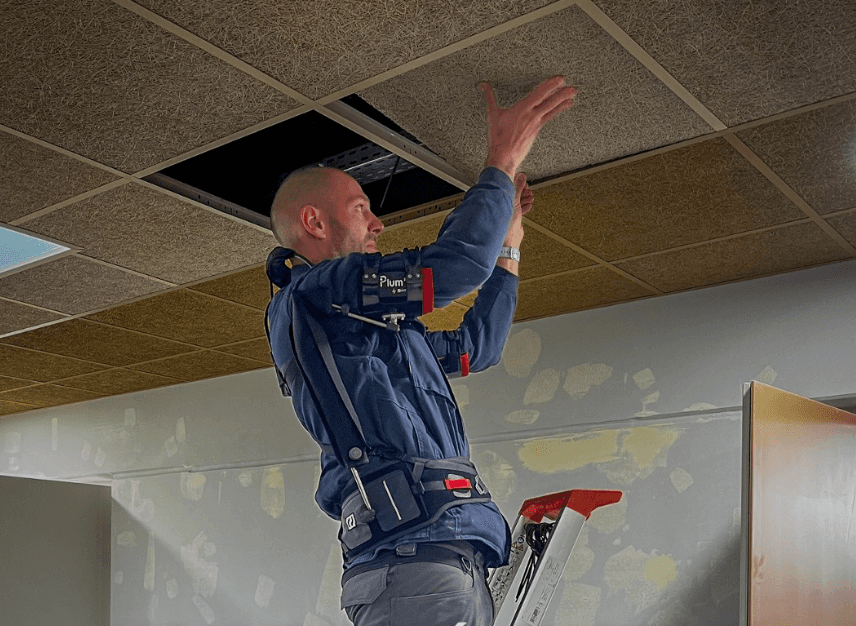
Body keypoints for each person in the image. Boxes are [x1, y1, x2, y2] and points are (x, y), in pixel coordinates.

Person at [265, 76, 577, 626]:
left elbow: (477, 349)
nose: (377, 223)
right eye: (360, 208)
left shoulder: (371, 333)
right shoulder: (317, 294)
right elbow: (450, 269)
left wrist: (508, 249)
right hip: (413, 566)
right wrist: (500, 163)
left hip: (442, 562)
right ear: (314, 221)